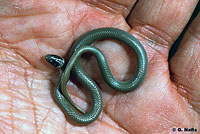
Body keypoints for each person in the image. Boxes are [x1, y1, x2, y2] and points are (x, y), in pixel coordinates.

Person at [0, 0, 199, 133]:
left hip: (74, 64)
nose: (50, 60)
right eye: (55, 62)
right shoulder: (73, 68)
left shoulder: (73, 64)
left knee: (89, 55)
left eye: (54, 61)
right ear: (60, 65)